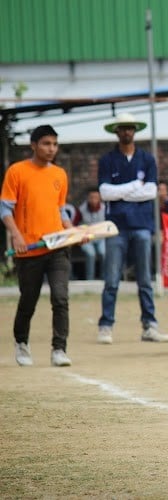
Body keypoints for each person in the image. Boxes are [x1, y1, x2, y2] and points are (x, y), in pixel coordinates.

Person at [1, 125, 73, 367]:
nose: (51, 148)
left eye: (54, 144)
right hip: (29, 250)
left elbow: (60, 209)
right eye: (46, 143)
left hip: (57, 247)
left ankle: (59, 349)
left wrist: (71, 229)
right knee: (28, 300)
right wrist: (17, 236)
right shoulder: (17, 172)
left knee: (61, 298)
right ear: (33, 145)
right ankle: (22, 342)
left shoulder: (60, 175)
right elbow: (5, 209)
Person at [97, 113, 168, 344]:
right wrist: (133, 187)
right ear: (116, 132)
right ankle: (106, 326)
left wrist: (122, 191)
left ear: (134, 131)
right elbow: (105, 193)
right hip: (115, 225)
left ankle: (150, 325)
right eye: (122, 128)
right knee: (111, 279)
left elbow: (150, 192)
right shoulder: (107, 160)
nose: (126, 132)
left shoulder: (147, 159)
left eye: (130, 128)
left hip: (141, 224)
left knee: (145, 279)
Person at [74, 186, 107, 280]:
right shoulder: (81, 210)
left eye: (96, 197)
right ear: (88, 198)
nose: (93, 200)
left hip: (100, 237)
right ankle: (90, 279)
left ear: (100, 198)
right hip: (86, 238)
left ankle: (104, 277)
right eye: (91, 197)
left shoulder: (105, 208)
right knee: (90, 253)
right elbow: (75, 225)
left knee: (103, 252)